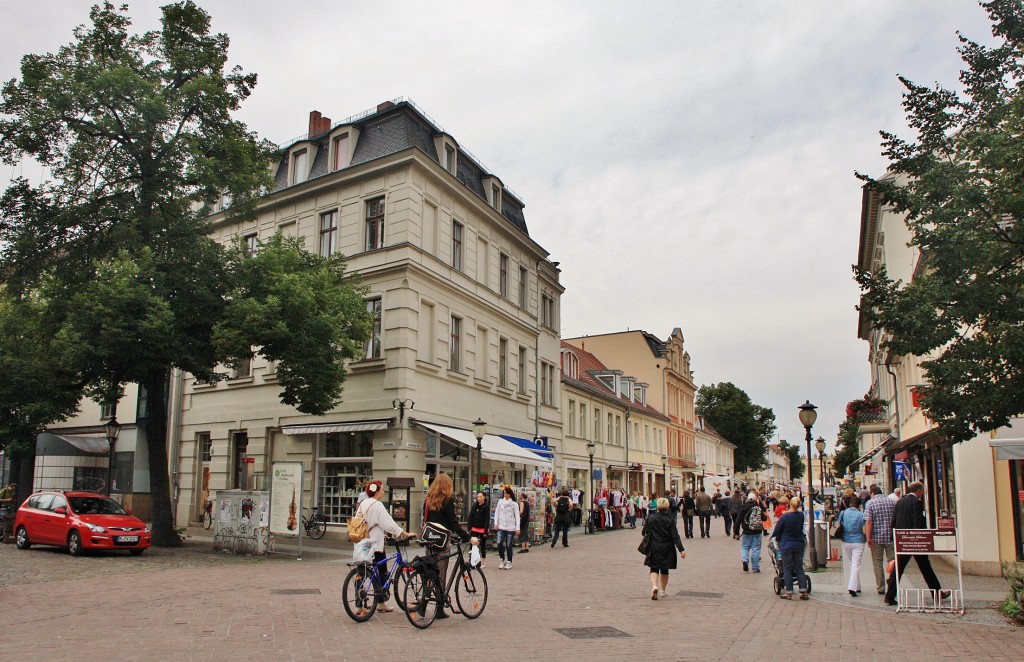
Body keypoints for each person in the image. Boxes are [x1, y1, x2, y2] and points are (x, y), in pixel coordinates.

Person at [884, 482, 949, 606]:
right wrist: (923, 539)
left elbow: (894, 521)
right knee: (926, 568)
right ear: (918, 490)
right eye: (923, 490)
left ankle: (889, 596)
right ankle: (937, 593)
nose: (923, 493)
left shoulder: (900, 502)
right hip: (915, 542)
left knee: (898, 570)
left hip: (903, 541)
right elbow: (918, 523)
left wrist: (896, 537)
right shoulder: (916, 503)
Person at [357, 480, 416, 614]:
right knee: (382, 571)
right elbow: (387, 522)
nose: (384, 492)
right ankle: (381, 602)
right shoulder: (377, 505)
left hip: (362, 542)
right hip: (375, 544)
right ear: (376, 492)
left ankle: (359, 605)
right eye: (382, 490)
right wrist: (403, 533)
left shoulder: (363, 504)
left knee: (362, 571)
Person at [424, 474, 477, 618]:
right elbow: (453, 523)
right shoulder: (447, 500)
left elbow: (426, 519)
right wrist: (467, 537)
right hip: (442, 540)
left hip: (429, 539)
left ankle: (423, 604)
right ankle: (439, 609)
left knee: (430, 572)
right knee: (441, 573)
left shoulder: (428, 500)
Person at [642, 497, 686, 600]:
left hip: (654, 546)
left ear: (657, 506)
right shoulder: (670, 519)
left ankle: (654, 586)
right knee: (664, 569)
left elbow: (644, 532)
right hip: (667, 547)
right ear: (667, 507)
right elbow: (675, 535)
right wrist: (681, 549)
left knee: (654, 568)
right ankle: (663, 590)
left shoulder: (651, 518)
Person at [771, 496, 809, 600]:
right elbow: (795, 514)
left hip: (786, 544)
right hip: (799, 544)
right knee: (799, 567)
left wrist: (774, 537)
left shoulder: (784, 518)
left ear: (789, 504)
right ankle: (803, 591)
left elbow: (777, 530)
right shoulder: (801, 516)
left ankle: (789, 593)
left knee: (787, 568)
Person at [863, 484, 896, 594]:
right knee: (892, 561)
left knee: (877, 562)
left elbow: (869, 522)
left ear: (872, 493)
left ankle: (880, 587)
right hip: (890, 536)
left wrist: (868, 537)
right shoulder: (891, 501)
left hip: (876, 537)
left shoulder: (870, 503)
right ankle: (892, 584)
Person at [837, 495, 867, 596]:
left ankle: (857, 586)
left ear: (850, 504)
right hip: (858, 541)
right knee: (856, 564)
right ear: (859, 505)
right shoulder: (861, 515)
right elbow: (864, 530)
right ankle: (852, 587)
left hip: (846, 540)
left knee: (852, 563)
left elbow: (838, 526)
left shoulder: (843, 513)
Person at [738, 491, 766, 573]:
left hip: (746, 531)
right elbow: (764, 518)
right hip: (757, 531)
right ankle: (755, 567)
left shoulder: (743, 508)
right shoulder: (757, 507)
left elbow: (738, 520)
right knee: (756, 549)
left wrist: (736, 531)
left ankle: (745, 560)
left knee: (745, 547)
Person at [493, 486, 520, 569]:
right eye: (504, 493)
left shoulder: (514, 504)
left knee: (508, 545)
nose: (505, 495)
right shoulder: (500, 502)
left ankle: (509, 561)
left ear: (510, 494)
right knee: (499, 543)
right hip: (501, 526)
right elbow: (497, 513)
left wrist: (517, 527)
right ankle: (502, 559)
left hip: (510, 527)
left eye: (506, 493)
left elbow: (517, 516)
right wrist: (496, 523)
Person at [467, 490, 491, 566]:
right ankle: (472, 561)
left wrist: (485, 531)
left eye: (480, 497)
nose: (479, 498)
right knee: (472, 545)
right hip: (474, 528)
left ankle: (482, 562)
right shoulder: (475, 506)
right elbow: (470, 517)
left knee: (482, 546)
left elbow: (487, 519)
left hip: (482, 529)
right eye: (478, 497)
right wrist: (469, 528)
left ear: (484, 497)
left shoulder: (486, 507)